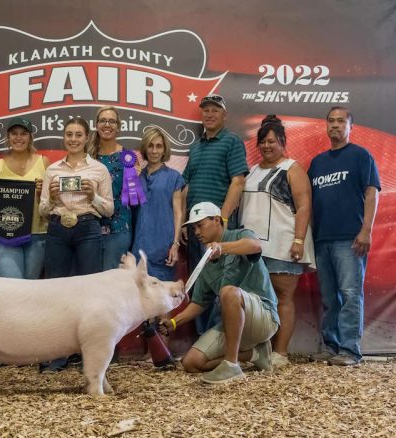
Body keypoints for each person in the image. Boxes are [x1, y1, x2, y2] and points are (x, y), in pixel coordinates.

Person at [161, 202, 279, 384]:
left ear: (216, 220)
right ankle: (255, 354)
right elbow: (199, 303)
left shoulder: (239, 234)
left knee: (228, 293)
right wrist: (174, 322)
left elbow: (255, 246)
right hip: (233, 326)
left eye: (200, 226)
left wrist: (222, 247)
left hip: (263, 317)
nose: (197, 232)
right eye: (194, 228)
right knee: (191, 363)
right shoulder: (205, 262)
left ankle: (231, 365)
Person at [238, 115, 315, 369]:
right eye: (263, 142)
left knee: (283, 297)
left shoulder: (293, 169)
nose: (267, 146)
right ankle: (261, 350)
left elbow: (304, 207)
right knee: (257, 300)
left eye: (272, 141)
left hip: (282, 244)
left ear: (282, 142)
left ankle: (281, 353)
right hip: (252, 247)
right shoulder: (251, 171)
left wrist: (299, 239)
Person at [38, 117, 113, 372]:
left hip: (88, 227)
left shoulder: (99, 170)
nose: (73, 139)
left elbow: (109, 210)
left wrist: (94, 196)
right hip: (58, 228)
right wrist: (52, 197)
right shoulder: (52, 171)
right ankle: (57, 355)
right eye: (69, 134)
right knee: (54, 293)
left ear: (86, 137)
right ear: (64, 137)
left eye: (78, 135)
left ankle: (90, 357)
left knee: (91, 295)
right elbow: (43, 211)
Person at [308, 107, 380, 366]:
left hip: (350, 239)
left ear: (351, 127)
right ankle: (331, 346)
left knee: (350, 294)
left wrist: (366, 230)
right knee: (329, 298)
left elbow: (372, 193)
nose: (335, 125)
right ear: (326, 126)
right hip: (322, 239)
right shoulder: (317, 162)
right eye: (331, 121)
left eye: (341, 121)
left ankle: (351, 350)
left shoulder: (361, 156)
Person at [181, 94, 249, 333]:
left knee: (223, 282)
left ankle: (221, 338)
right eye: (206, 110)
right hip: (197, 225)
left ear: (224, 115)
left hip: (217, 226)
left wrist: (224, 220)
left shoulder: (232, 141)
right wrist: (184, 223)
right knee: (201, 283)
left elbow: (238, 182)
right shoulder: (196, 147)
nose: (209, 114)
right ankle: (203, 339)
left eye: (215, 110)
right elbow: (186, 186)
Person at [0, 117, 51, 279]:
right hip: (4, 235)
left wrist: (43, 193)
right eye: (14, 133)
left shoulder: (44, 163)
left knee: (30, 290)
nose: (18, 137)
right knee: (12, 288)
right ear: (8, 137)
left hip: (37, 234)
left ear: (30, 137)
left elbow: (52, 204)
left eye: (23, 133)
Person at [131, 127, 185, 280]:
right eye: (150, 145)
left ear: (164, 150)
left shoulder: (174, 177)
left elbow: (178, 212)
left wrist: (175, 244)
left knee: (162, 297)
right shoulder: (135, 176)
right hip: (139, 245)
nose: (154, 151)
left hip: (163, 246)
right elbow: (131, 207)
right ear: (145, 148)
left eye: (158, 146)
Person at [88, 106, 133, 270]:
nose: (107, 124)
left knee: (111, 280)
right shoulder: (87, 155)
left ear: (119, 126)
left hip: (118, 228)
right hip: (89, 229)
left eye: (112, 121)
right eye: (103, 121)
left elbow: (133, 199)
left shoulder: (127, 157)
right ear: (96, 125)